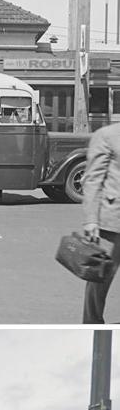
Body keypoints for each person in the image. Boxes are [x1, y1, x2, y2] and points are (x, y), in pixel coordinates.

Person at [82, 122, 120, 324]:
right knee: (100, 277)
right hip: (112, 221)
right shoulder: (106, 135)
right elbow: (93, 179)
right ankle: (91, 325)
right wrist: (90, 219)